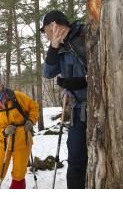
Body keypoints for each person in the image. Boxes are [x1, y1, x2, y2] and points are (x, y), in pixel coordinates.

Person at [41, 10, 88, 189]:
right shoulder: (58, 47)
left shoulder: (84, 34)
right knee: (75, 156)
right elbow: (47, 73)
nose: (46, 35)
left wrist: (82, 81)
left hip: (100, 107)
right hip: (78, 111)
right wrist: (53, 47)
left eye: (46, 30)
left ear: (53, 25)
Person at [0, 72, 39, 189]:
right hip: (4, 143)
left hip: (22, 140)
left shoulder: (17, 96)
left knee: (19, 173)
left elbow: (34, 107)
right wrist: (4, 132)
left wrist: (31, 121)